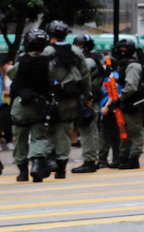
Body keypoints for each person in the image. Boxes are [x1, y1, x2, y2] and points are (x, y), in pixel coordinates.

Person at [7, 30, 54, 181]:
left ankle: (22, 171)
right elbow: (52, 80)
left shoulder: (20, 64)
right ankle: (37, 165)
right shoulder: (48, 64)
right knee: (38, 137)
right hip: (39, 106)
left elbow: (11, 75)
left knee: (20, 136)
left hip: (20, 105)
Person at [42, 20, 86, 178]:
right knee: (64, 131)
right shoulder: (76, 51)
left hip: (51, 98)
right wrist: (87, 97)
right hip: (71, 98)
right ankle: (61, 168)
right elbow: (85, 75)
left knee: (46, 129)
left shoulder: (45, 51)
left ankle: (50, 158)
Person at [106, 37, 144, 170]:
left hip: (133, 103)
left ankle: (133, 159)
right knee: (124, 131)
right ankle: (123, 158)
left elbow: (131, 87)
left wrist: (120, 98)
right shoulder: (125, 64)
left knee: (134, 132)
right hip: (126, 103)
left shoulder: (133, 66)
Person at [71, 34, 105, 173]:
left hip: (88, 99)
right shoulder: (93, 58)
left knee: (88, 131)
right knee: (91, 130)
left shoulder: (88, 61)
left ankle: (90, 161)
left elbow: (79, 77)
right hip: (91, 98)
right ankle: (92, 159)